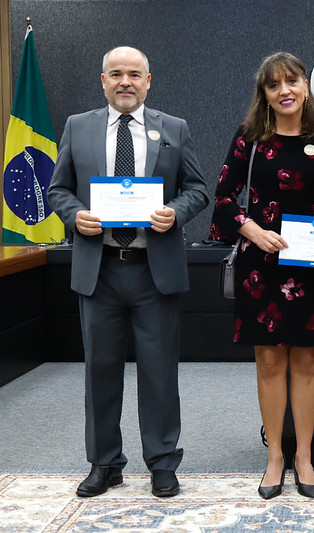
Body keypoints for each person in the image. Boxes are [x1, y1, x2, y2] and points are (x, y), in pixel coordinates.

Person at [47, 46, 209, 498]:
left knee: (159, 373)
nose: (125, 82)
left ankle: (161, 462)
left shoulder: (173, 129)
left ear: (148, 80)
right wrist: (75, 214)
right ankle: (104, 463)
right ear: (102, 80)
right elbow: (58, 188)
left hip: (152, 271)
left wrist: (175, 213)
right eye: (115, 74)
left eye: (134, 75)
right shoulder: (78, 127)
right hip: (98, 272)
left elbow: (197, 189)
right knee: (100, 371)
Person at [209, 52, 314, 500]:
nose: (284, 91)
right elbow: (222, 199)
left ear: (306, 85)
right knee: (270, 362)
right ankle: (275, 456)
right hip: (262, 268)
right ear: (265, 94)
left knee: (309, 361)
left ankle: (304, 457)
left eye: (291, 81)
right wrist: (252, 230)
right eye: (274, 86)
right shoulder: (251, 136)